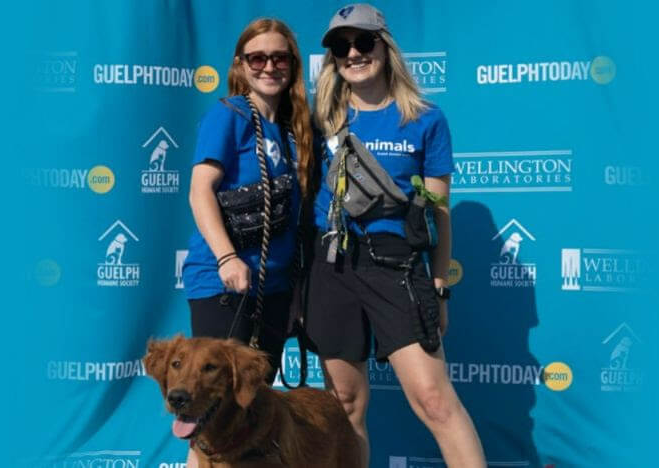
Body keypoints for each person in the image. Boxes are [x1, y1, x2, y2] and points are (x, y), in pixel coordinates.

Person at [307, 4, 488, 467]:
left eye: (363, 42)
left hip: (396, 266)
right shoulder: (321, 118)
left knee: (434, 401)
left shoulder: (425, 118)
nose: (353, 53)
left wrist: (440, 285)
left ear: (385, 49)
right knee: (344, 404)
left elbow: (439, 212)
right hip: (332, 265)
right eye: (341, 46)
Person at [180, 18, 313, 466]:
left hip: (271, 293)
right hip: (224, 286)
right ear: (241, 64)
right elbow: (201, 190)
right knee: (208, 419)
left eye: (279, 57)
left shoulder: (294, 131)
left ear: (292, 65)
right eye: (258, 57)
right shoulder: (229, 114)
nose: (269, 66)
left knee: (246, 417)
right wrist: (226, 257)